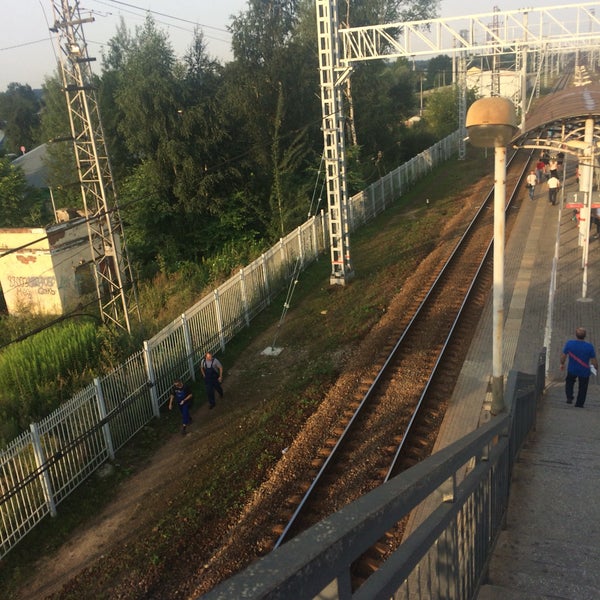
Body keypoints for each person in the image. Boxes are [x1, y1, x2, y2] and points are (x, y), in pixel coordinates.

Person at [560, 327, 598, 407]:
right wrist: (595, 368)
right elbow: (594, 361)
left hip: (572, 369)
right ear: (585, 336)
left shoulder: (569, 343)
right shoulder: (589, 346)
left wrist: (562, 363)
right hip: (584, 370)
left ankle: (569, 397)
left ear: (576, 335)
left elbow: (563, 356)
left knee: (569, 382)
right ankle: (579, 403)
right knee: (583, 387)